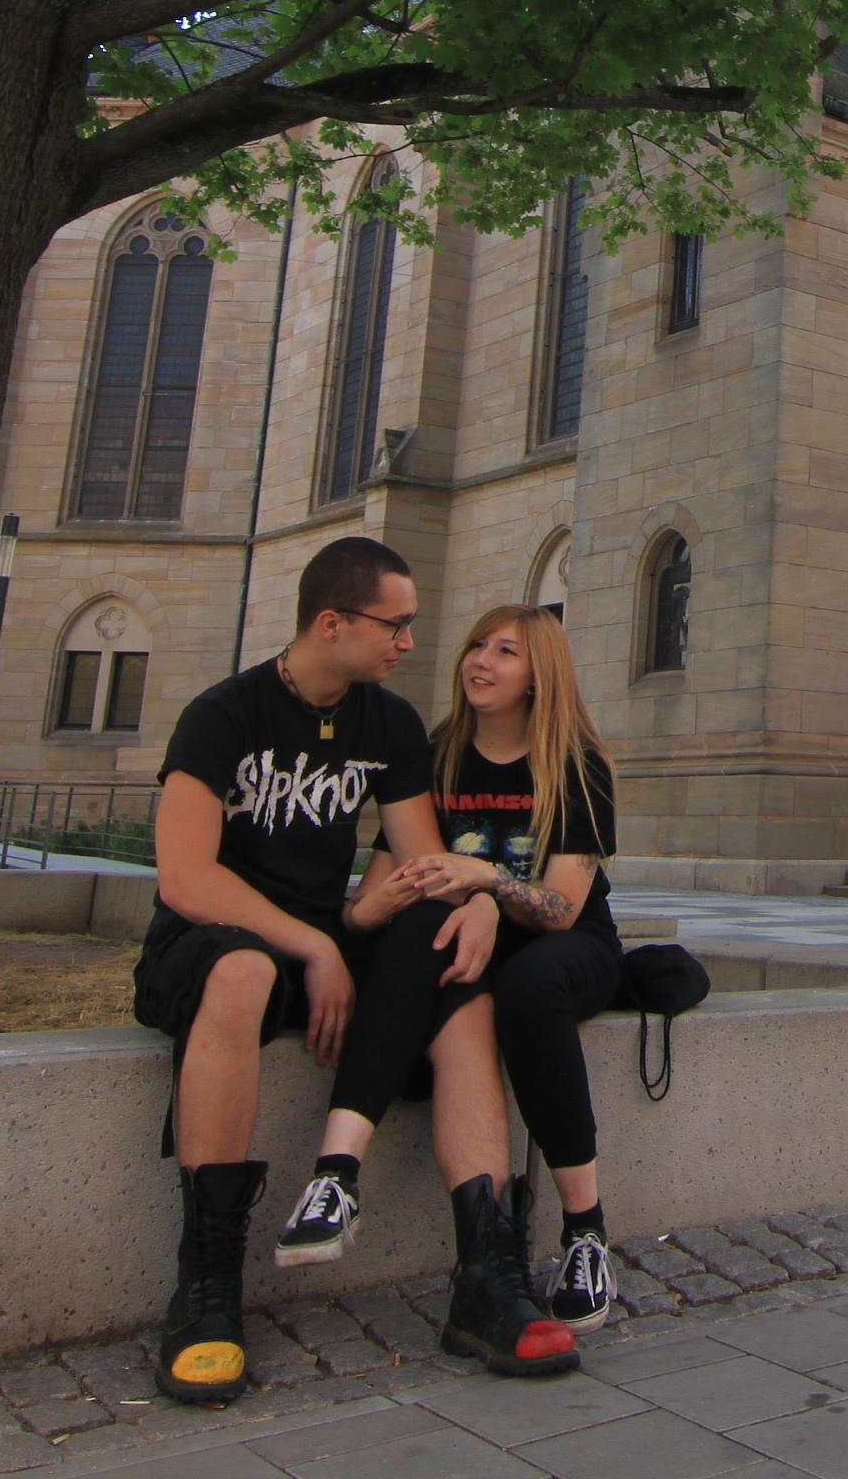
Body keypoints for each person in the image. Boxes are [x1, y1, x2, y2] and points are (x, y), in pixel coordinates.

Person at [131, 538, 577, 1406]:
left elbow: (421, 866)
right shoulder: (225, 715)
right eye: (396, 625)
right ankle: (208, 1285)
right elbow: (184, 879)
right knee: (244, 973)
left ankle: (486, 1276)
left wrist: (480, 893)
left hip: (322, 941)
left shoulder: (388, 723)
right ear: (331, 623)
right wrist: (316, 945)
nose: (411, 643)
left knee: (452, 966)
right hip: (214, 941)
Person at [285, 605, 627, 1329]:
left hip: (564, 944)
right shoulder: (436, 754)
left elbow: (563, 907)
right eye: (477, 645)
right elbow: (388, 880)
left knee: (531, 990)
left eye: (506, 651)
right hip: (467, 933)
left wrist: (484, 885)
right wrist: (364, 915)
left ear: (541, 675)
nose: (480, 661)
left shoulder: (575, 763)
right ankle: (336, 1176)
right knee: (420, 933)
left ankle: (586, 1231)